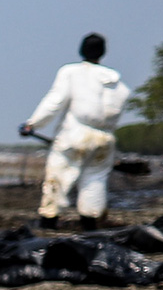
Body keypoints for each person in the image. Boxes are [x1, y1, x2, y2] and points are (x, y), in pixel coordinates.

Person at [23, 33, 128, 226]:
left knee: (58, 176)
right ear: (103, 52)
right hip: (105, 139)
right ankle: (89, 222)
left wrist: (33, 124)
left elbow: (54, 102)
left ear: (81, 50)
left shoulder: (71, 72)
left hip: (75, 135)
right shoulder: (117, 83)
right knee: (94, 181)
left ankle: (49, 220)